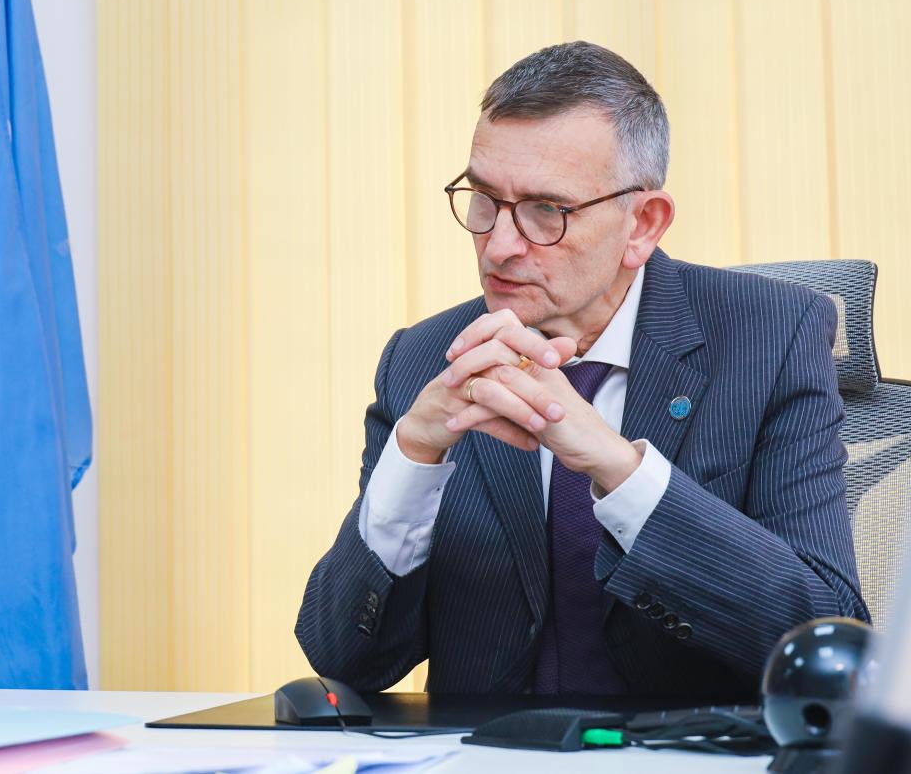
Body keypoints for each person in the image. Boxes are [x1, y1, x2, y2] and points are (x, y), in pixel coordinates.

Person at [295, 41, 867, 699]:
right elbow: (344, 661)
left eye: (547, 210)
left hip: (686, 746)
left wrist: (621, 469)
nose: (498, 246)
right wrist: (413, 456)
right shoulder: (425, 359)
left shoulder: (768, 336)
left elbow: (828, 641)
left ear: (643, 223)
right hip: (481, 748)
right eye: (484, 199)